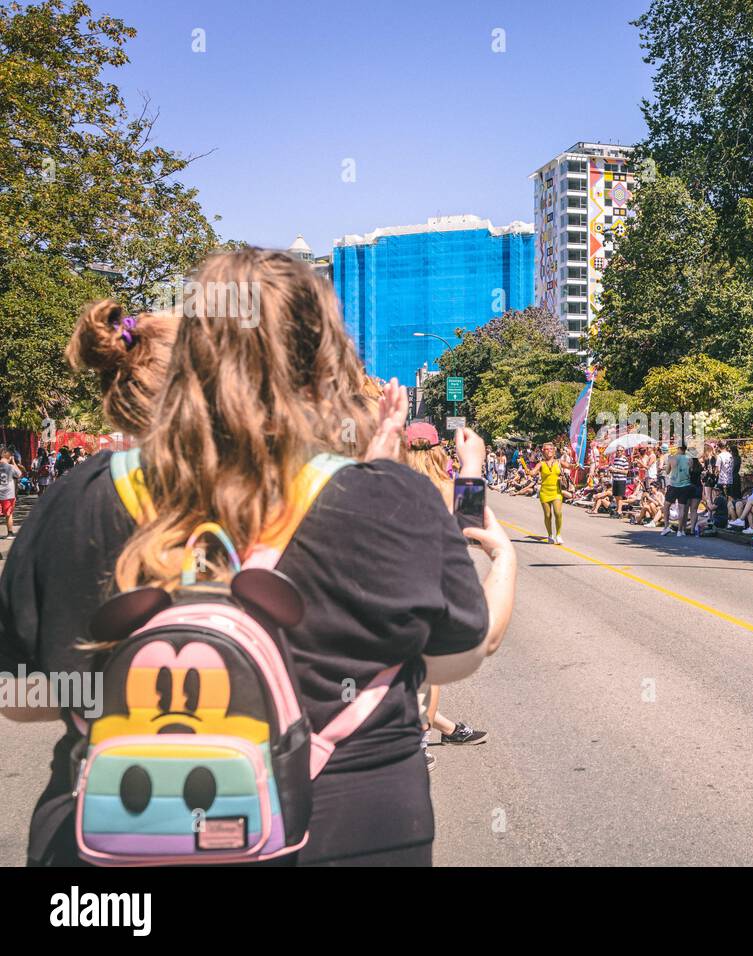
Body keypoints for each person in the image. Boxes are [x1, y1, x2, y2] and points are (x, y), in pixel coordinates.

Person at [0, 249, 517, 866]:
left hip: (111, 842)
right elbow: (457, 658)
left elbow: (18, 694)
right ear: (325, 364)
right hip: (351, 830)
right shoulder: (384, 495)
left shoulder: (80, 495)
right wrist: (504, 560)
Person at [403, 424, 489, 756]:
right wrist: (472, 465)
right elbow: (473, 529)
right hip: (436, 590)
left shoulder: (390, 484)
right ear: (440, 451)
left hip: (392, 585)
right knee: (429, 673)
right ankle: (420, 745)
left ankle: (437, 732)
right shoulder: (449, 487)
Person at [526, 442, 565, 543]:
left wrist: (576, 465)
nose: (548, 451)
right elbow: (533, 472)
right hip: (545, 492)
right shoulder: (541, 464)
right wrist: (529, 472)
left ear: (554, 450)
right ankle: (550, 535)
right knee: (548, 515)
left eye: (550, 449)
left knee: (558, 513)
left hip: (557, 491)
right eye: (546, 449)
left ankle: (558, 535)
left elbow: (571, 466)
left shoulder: (559, 462)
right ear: (543, 451)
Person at [661, 442, 694, 537]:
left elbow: (667, 471)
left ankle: (666, 526)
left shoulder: (672, 458)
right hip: (685, 485)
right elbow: (690, 471)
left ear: (679, 448)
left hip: (674, 484)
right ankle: (680, 530)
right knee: (682, 508)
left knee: (666, 505)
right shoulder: (690, 459)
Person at [0, 450, 24, 539]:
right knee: (8, 514)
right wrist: (13, 462)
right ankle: (9, 534)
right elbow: (19, 474)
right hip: (8, 494)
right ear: (9, 457)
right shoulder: (10, 467)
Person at [609, 447, 631, 518]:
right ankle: (618, 509)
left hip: (621, 480)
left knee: (620, 496)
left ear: (623, 451)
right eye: (617, 450)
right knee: (616, 495)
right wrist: (612, 470)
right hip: (615, 479)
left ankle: (619, 511)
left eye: (620, 451)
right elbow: (614, 469)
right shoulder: (615, 459)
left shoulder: (624, 460)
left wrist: (616, 470)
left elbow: (626, 472)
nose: (618, 452)